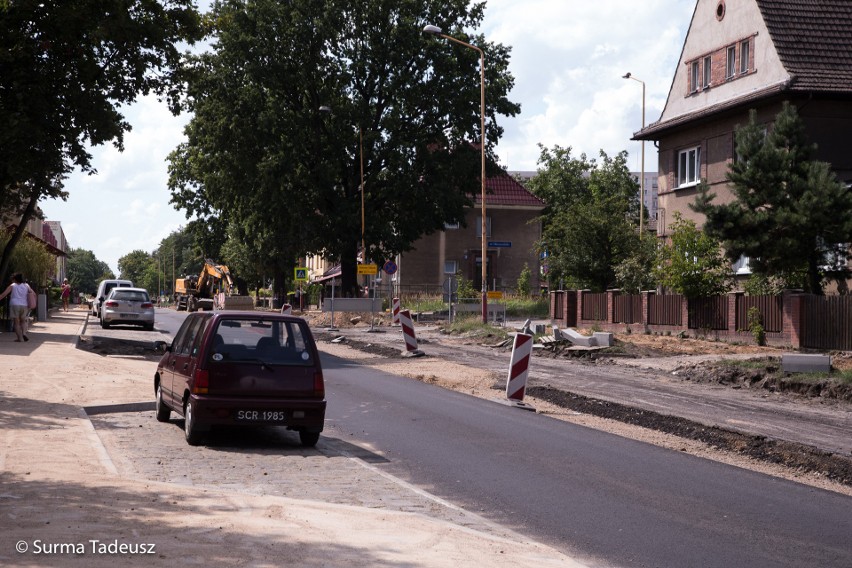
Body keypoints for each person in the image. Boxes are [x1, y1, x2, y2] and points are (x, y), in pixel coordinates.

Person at [0, 273, 35, 342]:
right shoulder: (26, 285)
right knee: (23, 321)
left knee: (16, 322)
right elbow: (32, 293)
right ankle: (24, 333)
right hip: (24, 305)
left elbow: (3, 294)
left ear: (15, 279)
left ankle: (20, 338)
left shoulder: (13, 286)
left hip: (14, 305)